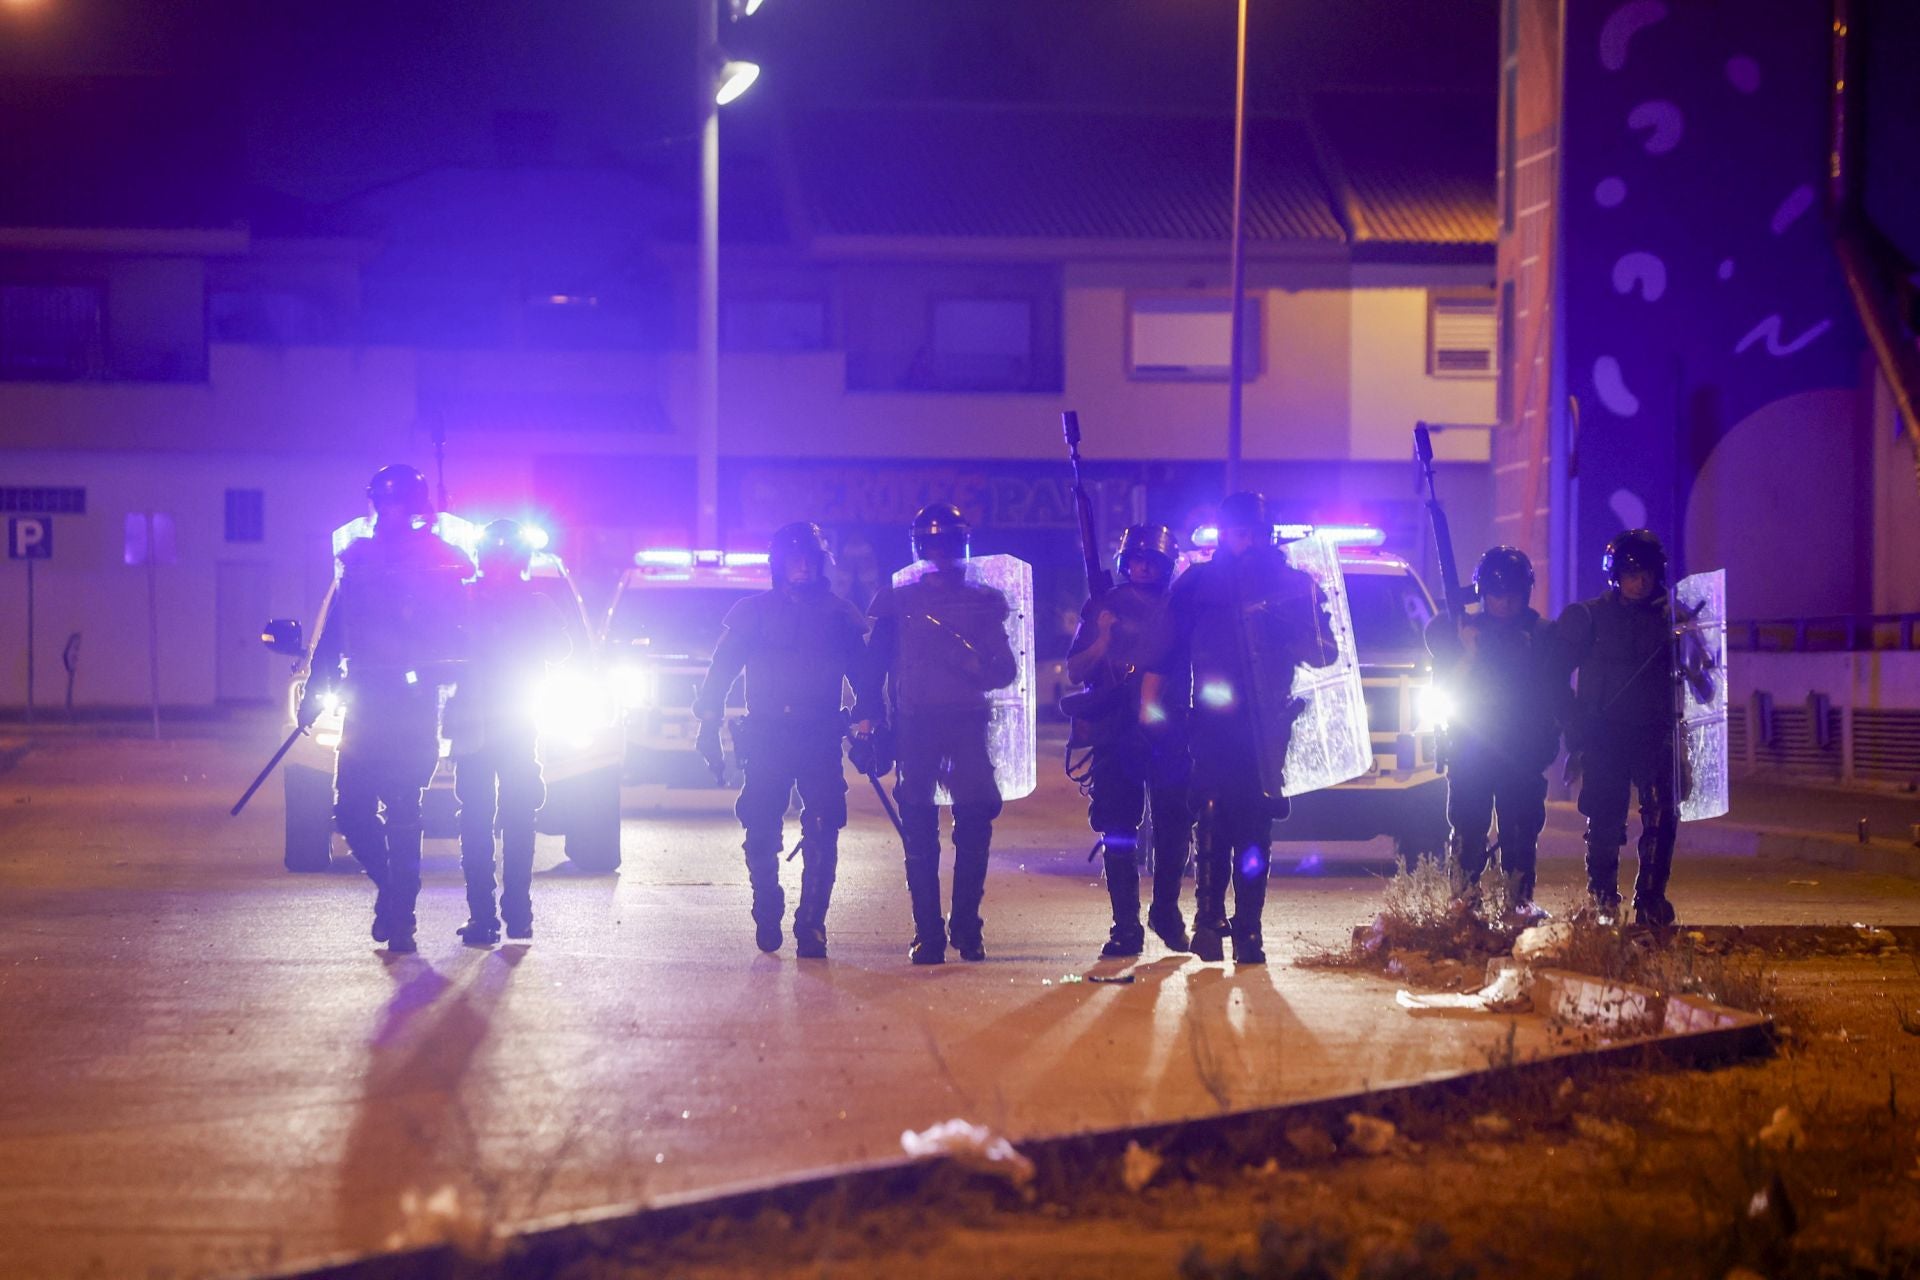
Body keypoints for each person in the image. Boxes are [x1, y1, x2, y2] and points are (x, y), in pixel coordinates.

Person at [1142, 493, 1334, 964]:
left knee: (1253, 821)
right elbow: (1167, 648)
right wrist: (1152, 702)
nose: (1240, 539)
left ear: (1264, 533)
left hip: (1266, 721)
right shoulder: (1200, 583)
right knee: (1210, 810)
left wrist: (1291, 624)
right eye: (1234, 530)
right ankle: (1208, 920)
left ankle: (1249, 929)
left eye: (1248, 530)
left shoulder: (1292, 584)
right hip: (1211, 717)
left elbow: (1323, 652)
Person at [302, 464, 472, 954]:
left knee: (403, 812)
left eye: (400, 502)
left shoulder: (442, 561)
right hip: (365, 698)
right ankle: (395, 895)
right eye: (385, 501)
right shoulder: (359, 559)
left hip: (413, 703)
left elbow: (460, 633)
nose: (391, 511)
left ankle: (403, 917)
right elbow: (335, 632)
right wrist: (316, 691)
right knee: (351, 811)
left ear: (415, 506)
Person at [693, 522, 870, 958]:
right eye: (793, 559)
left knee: (824, 827)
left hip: (820, 734)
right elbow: (721, 672)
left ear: (820, 562)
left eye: (808, 558)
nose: (801, 567)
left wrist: (869, 723)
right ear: (778, 564)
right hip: (768, 736)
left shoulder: (838, 614)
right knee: (759, 827)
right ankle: (766, 904)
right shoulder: (752, 613)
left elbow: (865, 676)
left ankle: (812, 923)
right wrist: (708, 722)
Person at [856, 503, 1019, 965]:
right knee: (920, 829)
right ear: (920, 548)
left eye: (948, 544)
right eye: (933, 545)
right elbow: (874, 668)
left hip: (967, 724)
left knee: (973, 825)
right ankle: (928, 931)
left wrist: (974, 665)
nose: (942, 554)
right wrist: (869, 720)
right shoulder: (897, 599)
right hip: (916, 725)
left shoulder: (982, 601)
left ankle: (967, 926)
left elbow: (1004, 670)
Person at [1064, 524, 1192, 957]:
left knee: (1175, 825)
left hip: (1167, 727)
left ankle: (1166, 911)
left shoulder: (1179, 607)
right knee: (1118, 828)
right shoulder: (1105, 604)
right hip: (1115, 728)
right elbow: (1076, 670)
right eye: (1135, 559)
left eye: (1151, 561)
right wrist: (1102, 636)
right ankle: (1125, 926)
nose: (1142, 567)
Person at [446, 519, 570, 947]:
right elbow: (562, 650)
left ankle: (490, 917)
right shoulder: (526, 603)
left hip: (489, 725)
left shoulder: (465, 600)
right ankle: (513, 914)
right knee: (511, 818)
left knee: (483, 820)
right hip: (502, 725)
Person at [1554, 528, 1685, 927]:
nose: (1640, 581)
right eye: (1631, 573)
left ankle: (1651, 898)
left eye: (1646, 572)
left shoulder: (1673, 619)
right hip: (1604, 733)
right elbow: (1553, 674)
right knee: (1606, 820)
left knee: (1662, 816)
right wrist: (1576, 724)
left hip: (1653, 730)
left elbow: (1700, 675)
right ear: (1615, 575)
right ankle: (1603, 902)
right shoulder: (1588, 617)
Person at [1424, 546, 1561, 919]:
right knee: (1468, 827)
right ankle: (1465, 899)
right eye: (1496, 593)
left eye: (1513, 593)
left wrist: (1554, 739)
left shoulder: (1542, 635)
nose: (1504, 601)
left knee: (1520, 832)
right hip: (1472, 747)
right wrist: (1468, 652)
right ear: (1483, 592)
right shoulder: (1463, 631)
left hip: (1521, 749)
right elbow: (1446, 686)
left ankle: (1518, 901)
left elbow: (1554, 692)